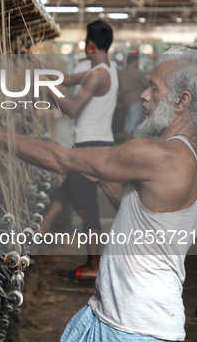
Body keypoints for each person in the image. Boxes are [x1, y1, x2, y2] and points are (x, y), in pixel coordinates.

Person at [0, 47, 197, 341]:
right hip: (124, 316)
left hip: (131, 327)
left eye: (154, 88)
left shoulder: (159, 154)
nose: (144, 95)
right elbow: (141, 213)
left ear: (182, 100)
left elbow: (61, 160)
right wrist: (99, 175)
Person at [40, 20, 119, 279]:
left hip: (89, 147)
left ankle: (93, 265)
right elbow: (69, 78)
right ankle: (43, 227)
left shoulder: (98, 75)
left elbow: (73, 109)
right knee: (69, 189)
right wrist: (36, 66)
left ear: (90, 44)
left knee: (87, 208)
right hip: (99, 143)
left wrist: (49, 91)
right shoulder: (107, 69)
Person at [118, 53, 150, 140]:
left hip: (125, 99)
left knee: (128, 121)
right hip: (135, 99)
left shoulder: (122, 72)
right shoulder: (137, 72)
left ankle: (126, 142)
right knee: (134, 122)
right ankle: (128, 143)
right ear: (135, 61)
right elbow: (146, 84)